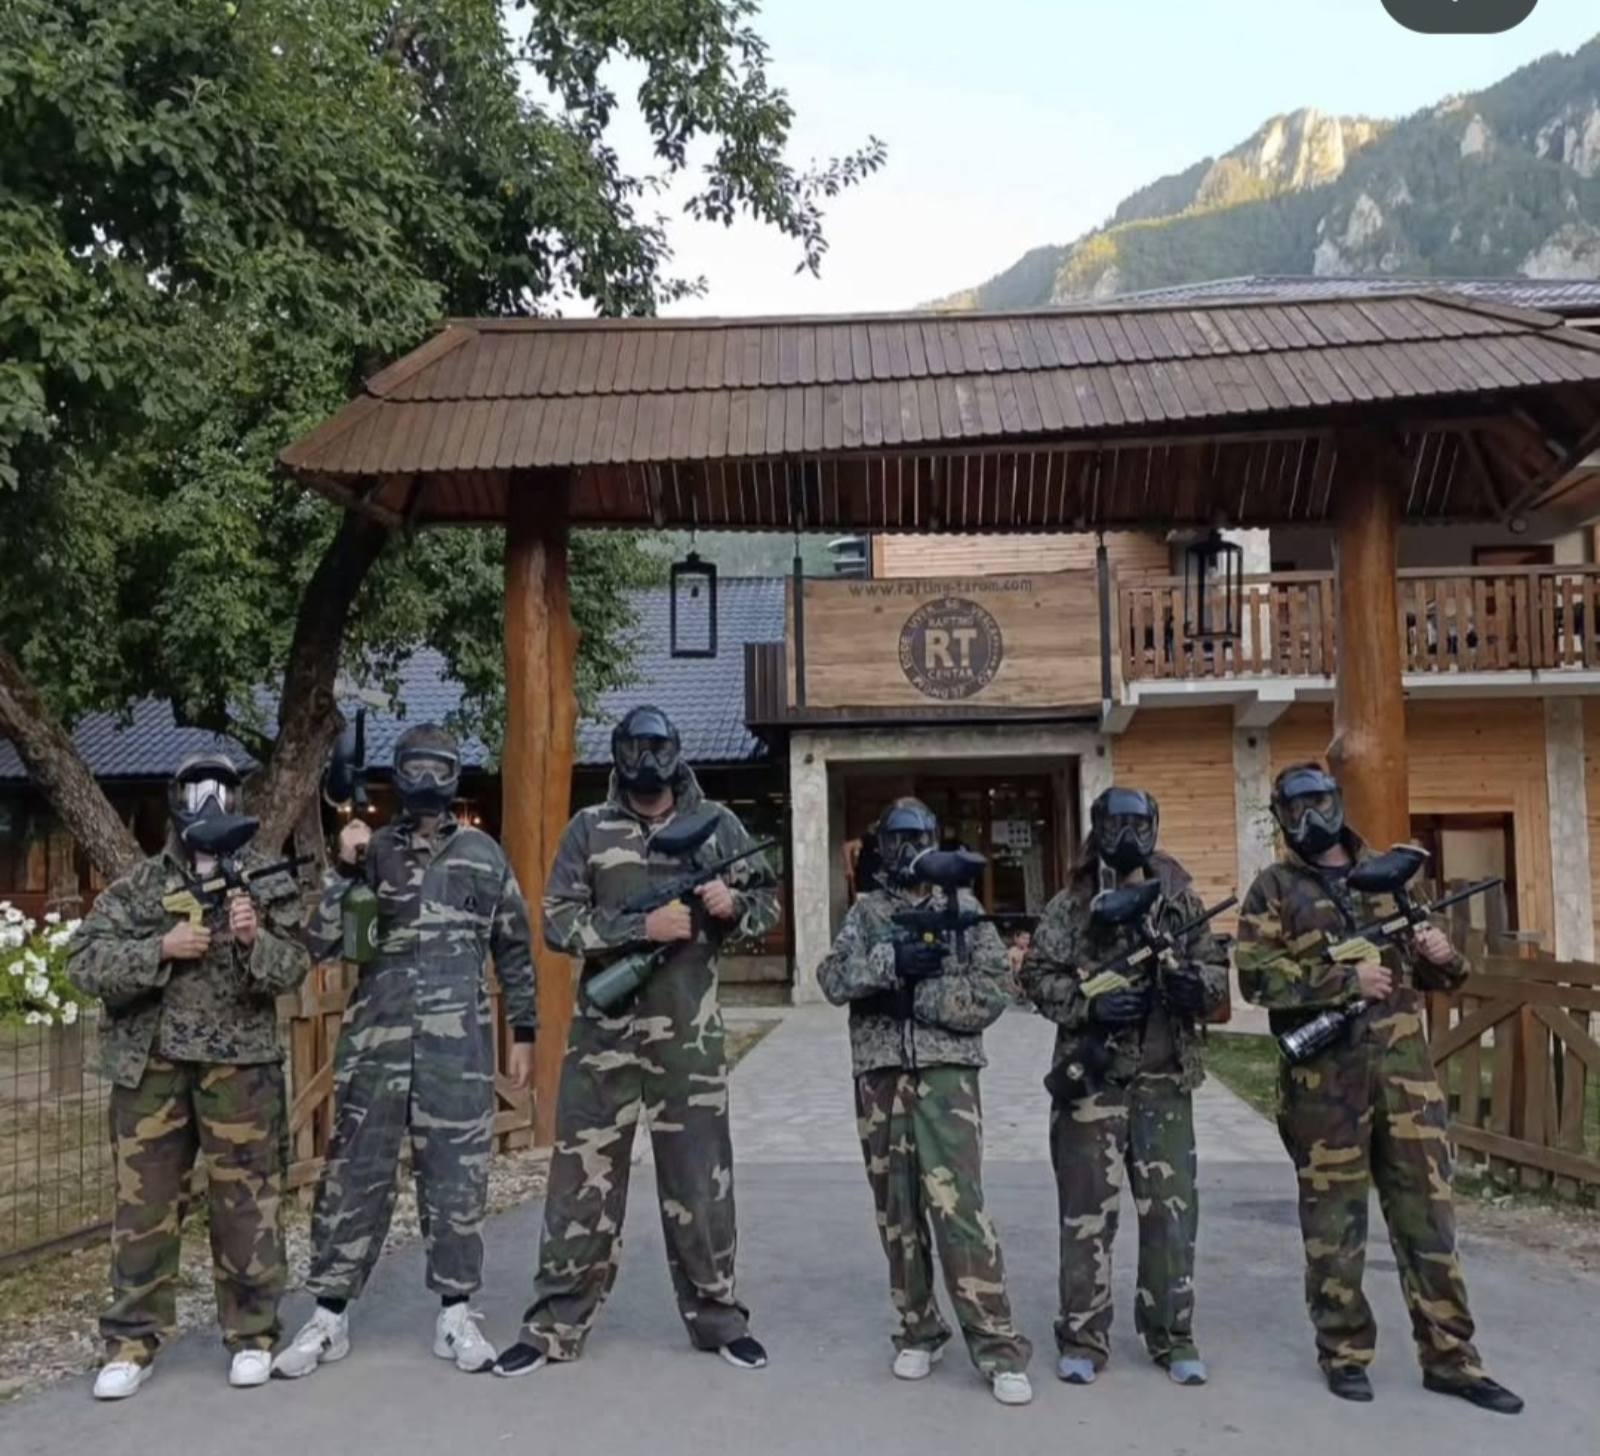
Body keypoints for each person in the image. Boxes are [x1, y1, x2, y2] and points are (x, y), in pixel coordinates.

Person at [494, 705, 779, 1376]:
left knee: (701, 1181)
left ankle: (719, 1317)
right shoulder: (589, 829)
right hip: (604, 1039)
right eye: (634, 747)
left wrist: (733, 907)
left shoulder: (717, 825)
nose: (647, 760)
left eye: (658, 747)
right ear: (619, 754)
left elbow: (767, 901)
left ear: (676, 752)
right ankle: (555, 1324)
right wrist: (636, 930)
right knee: (581, 1180)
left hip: (689, 1040)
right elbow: (556, 920)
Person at [1235, 763, 1522, 1414]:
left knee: (1430, 1222)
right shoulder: (1274, 888)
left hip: (1406, 1082)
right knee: (1333, 1227)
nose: (1311, 819)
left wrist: (1444, 956)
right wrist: (1343, 982)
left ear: (1337, 802)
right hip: (1324, 1085)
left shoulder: (1390, 875)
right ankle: (1343, 1353)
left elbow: (1442, 976)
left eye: (1319, 803)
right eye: (1296, 809)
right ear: (1281, 819)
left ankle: (1452, 1359)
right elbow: (1256, 978)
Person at [273, 723, 535, 1380]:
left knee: (458, 1175)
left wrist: (525, 1032)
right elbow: (320, 942)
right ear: (397, 774)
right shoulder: (373, 850)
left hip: (459, 1045)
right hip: (378, 1042)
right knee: (354, 1171)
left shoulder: (481, 854)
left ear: (454, 776)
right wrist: (344, 867)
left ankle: (456, 1312)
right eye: (413, 768)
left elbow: (514, 945)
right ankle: (329, 1314)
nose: (425, 781)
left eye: (437, 769)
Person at [68, 753, 310, 1398]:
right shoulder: (142, 885)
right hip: (152, 1069)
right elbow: (83, 963)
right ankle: (130, 1343)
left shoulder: (266, 880)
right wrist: (161, 949)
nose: (210, 802)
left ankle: (253, 1335)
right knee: (143, 1209)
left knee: (248, 1206)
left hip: (240, 1068)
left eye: (221, 790)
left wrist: (254, 941)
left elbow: (295, 966)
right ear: (178, 800)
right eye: (199, 790)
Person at [816, 798, 1034, 1407]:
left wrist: (921, 999)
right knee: (897, 1209)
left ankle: (997, 1346)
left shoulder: (962, 909)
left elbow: (995, 989)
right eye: (896, 839)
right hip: (881, 1076)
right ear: (881, 846)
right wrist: (890, 963)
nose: (908, 850)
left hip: (946, 1077)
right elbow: (832, 978)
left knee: (959, 1208)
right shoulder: (867, 912)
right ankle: (918, 1328)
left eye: (918, 837)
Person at [1019, 787, 1226, 1389]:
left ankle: (1172, 1335)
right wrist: (1090, 1004)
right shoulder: (1072, 904)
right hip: (1095, 1082)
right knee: (1087, 1217)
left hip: (1164, 1083)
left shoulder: (1179, 900)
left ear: (1154, 826)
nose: (1128, 835)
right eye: (1115, 824)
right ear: (1098, 828)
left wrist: (1196, 988)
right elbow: (1037, 976)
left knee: (1171, 1217)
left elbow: (1215, 971)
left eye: (1139, 823)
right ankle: (1083, 1337)